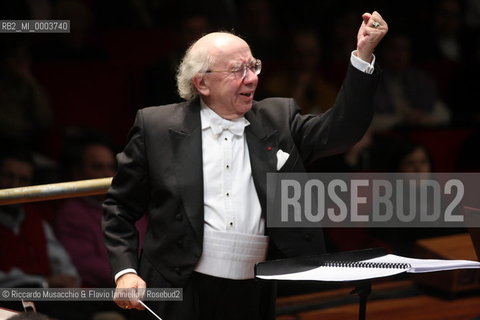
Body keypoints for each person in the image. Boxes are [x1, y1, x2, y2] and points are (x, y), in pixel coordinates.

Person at [102, 11, 388, 320]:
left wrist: (363, 54)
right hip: (178, 285)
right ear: (202, 82)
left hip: (254, 286)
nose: (252, 78)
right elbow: (120, 208)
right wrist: (125, 272)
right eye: (238, 69)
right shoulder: (156, 126)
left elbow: (342, 130)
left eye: (254, 66)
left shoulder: (278, 118)